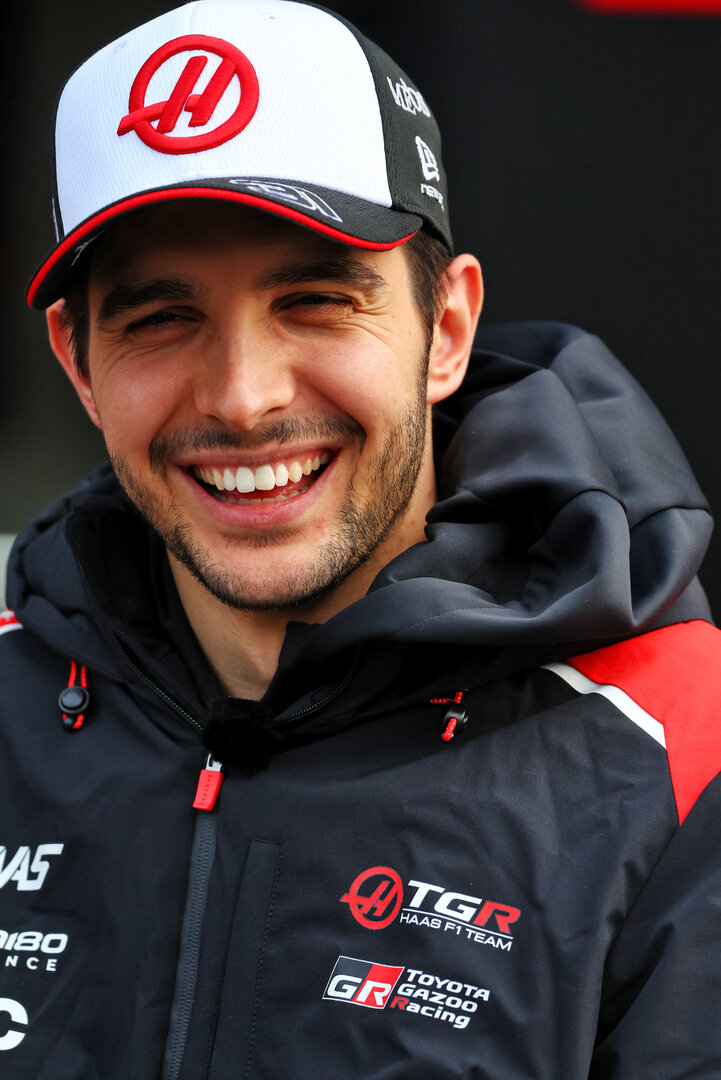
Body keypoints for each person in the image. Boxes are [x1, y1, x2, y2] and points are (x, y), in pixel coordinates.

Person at [1, 0, 720, 1076]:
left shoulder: (680, 755)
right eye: (162, 319)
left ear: (447, 332)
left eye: (315, 302)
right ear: (77, 364)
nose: (243, 399)